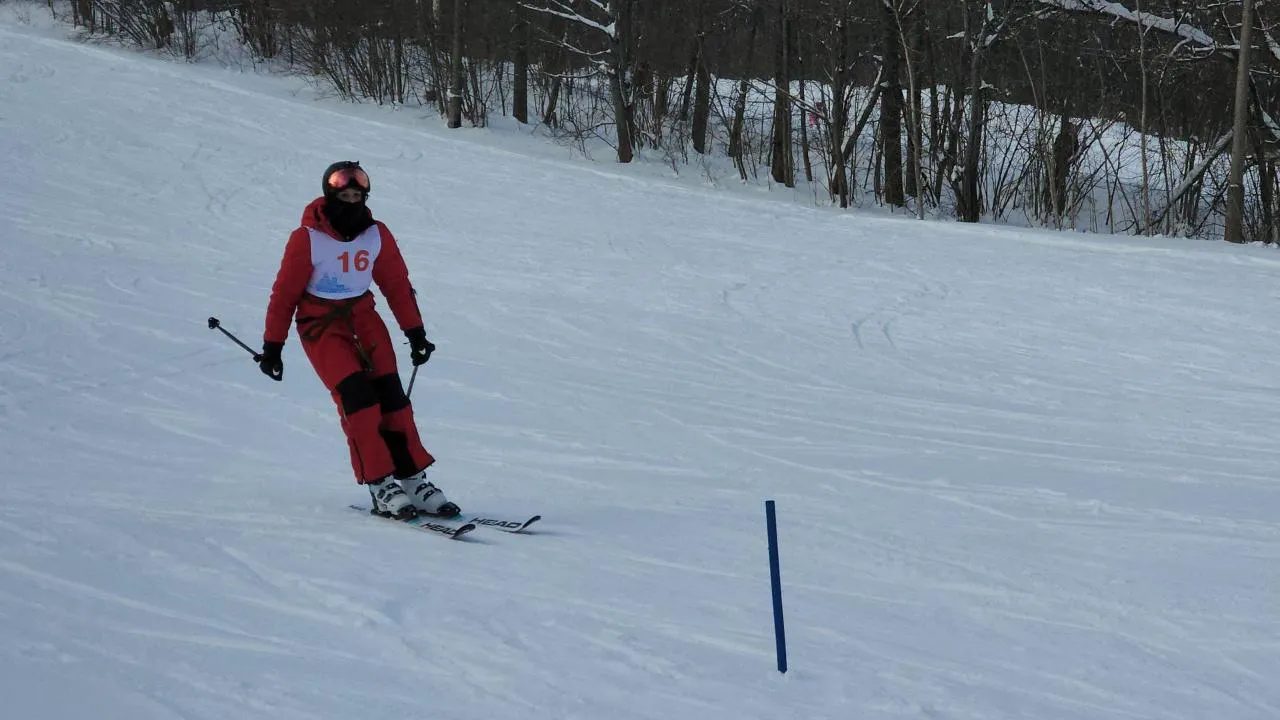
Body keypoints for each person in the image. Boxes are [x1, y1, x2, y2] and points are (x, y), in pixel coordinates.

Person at [258, 161, 458, 520]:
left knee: (394, 400)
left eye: (357, 197)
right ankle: (380, 484)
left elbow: (396, 284)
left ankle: (414, 480)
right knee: (358, 401)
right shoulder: (307, 238)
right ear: (329, 197)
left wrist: (415, 333)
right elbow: (284, 295)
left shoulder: (376, 234)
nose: (351, 203)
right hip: (321, 325)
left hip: (364, 319)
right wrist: (273, 346)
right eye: (344, 197)